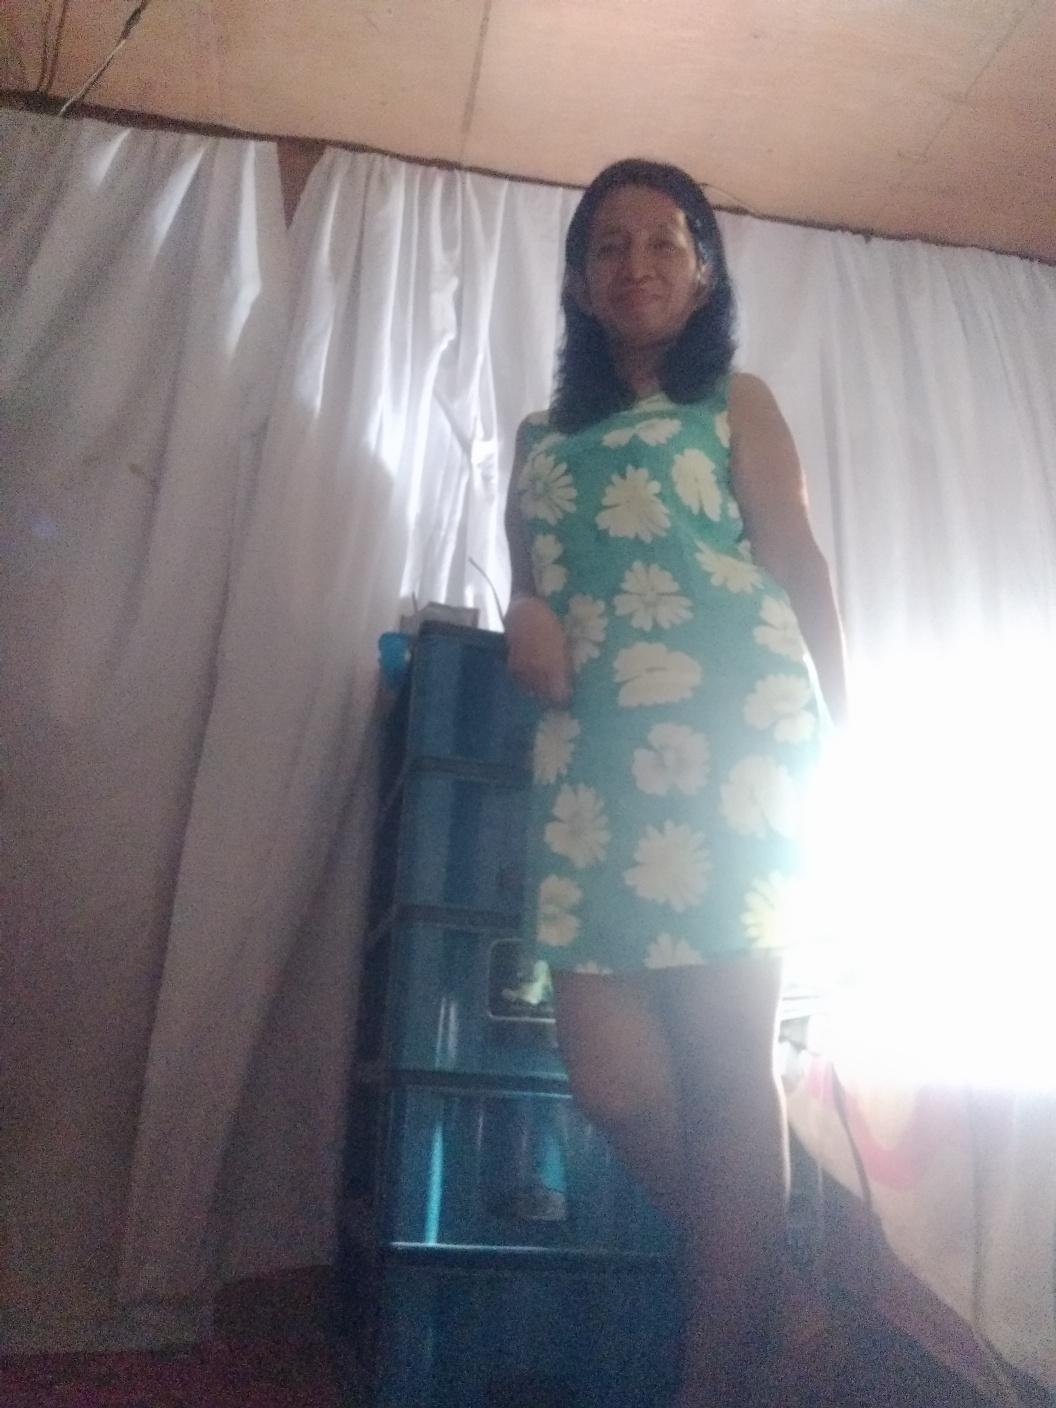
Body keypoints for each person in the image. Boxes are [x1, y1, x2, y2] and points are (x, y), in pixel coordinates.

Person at [504, 158, 848, 1408]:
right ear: (578, 282)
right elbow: (530, 576)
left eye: (665, 242)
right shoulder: (540, 438)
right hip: (595, 769)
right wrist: (522, 613)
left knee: (724, 1075)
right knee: (612, 1079)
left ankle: (713, 1384)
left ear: (703, 273)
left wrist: (846, 734)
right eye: (610, 245)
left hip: (734, 753)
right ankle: (787, 1311)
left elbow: (797, 560)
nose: (636, 263)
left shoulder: (734, 402)